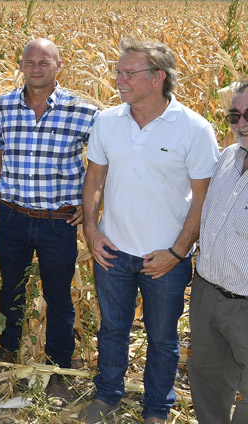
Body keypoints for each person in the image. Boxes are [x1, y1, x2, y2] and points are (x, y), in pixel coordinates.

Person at [80, 40, 219, 424]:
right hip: (113, 251)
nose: (118, 79)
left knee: (163, 338)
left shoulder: (193, 129)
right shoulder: (107, 121)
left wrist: (176, 253)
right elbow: (94, 179)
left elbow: (202, 199)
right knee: (112, 330)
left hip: (166, 261)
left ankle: (157, 409)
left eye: (128, 73)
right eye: (118, 71)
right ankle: (107, 396)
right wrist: (92, 232)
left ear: (157, 78)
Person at [0, 38, 98, 403]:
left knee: (58, 297)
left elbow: (105, 160)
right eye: (30, 61)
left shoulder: (82, 111)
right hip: (13, 218)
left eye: (44, 62)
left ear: (58, 65)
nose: (36, 68)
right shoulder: (3, 107)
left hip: (58, 222)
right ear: (21, 64)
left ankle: (58, 367)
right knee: (10, 289)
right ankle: (7, 350)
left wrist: (92, 202)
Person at [190, 80, 248, 424]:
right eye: (235, 115)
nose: (241, 123)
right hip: (207, 295)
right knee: (207, 380)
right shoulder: (227, 157)